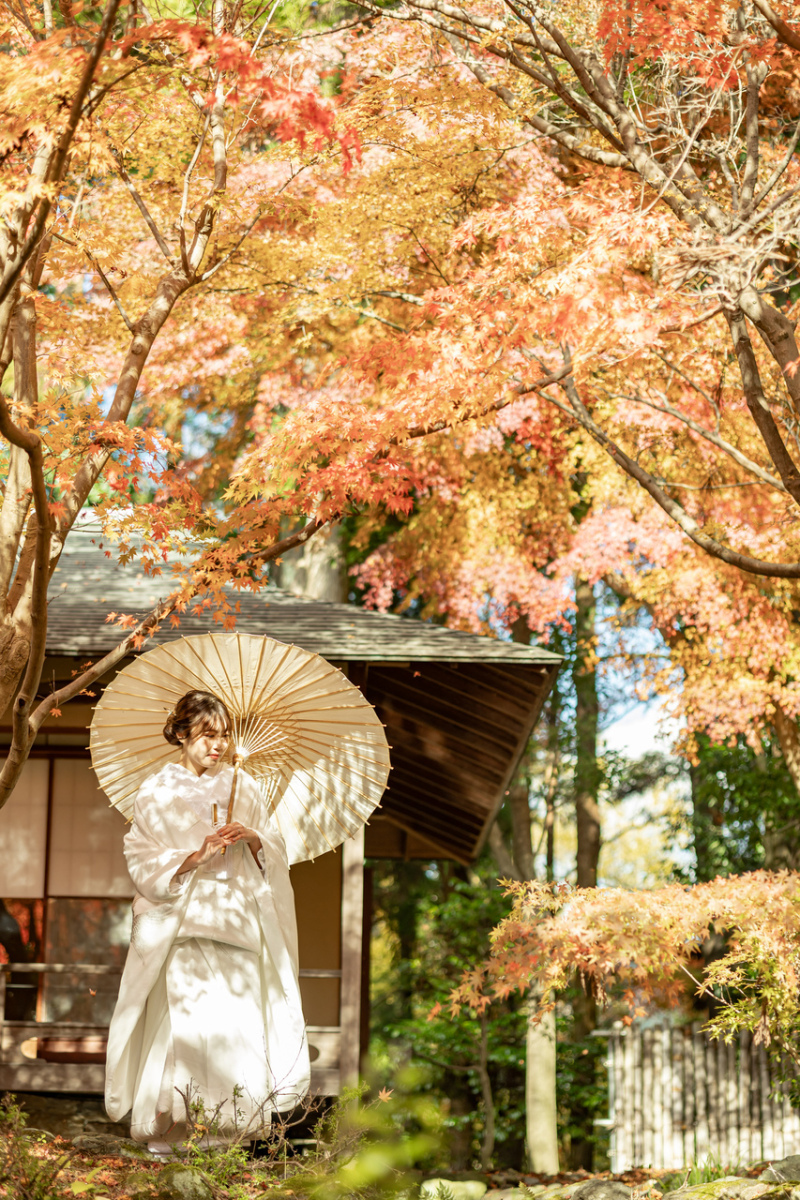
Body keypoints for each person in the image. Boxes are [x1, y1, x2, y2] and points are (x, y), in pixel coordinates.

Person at [104, 689, 309, 1152]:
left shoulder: (245, 786)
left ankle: (225, 1135)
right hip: (185, 920)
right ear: (182, 733)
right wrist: (194, 857)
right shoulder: (156, 790)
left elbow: (274, 851)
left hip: (237, 917)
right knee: (185, 1021)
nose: (218, 745)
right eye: (207, 734)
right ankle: (170, 1129)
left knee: (236, 1023)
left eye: (224, 735)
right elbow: (140, 854)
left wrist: (253, 837)